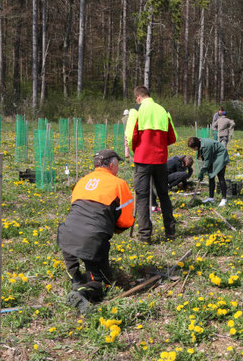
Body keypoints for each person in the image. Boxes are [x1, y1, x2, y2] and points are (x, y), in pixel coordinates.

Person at [57, 149, 134, 313]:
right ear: (112, 165)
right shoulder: (119, 184)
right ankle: (83, 292)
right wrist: (115, 227)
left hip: (66, 235)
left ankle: (76, 280)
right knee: (103, 283)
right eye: (118, 164)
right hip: (92, 239)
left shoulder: (82, 180)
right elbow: (126, 221)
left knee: (75, 258)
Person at [125, 85, 177, 243]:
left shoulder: (136, 110)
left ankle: (145, 236)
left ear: (138, 98)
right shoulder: (163, 110)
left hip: (143, 160)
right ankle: (170, 232)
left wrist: (136, 150)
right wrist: (160, 146)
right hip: (160, 160)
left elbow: (130, 135)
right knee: (163, 195)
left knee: (142, 198)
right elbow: (172, 136)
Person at [187, 136, 230, 207]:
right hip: (214, 156)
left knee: (220, 176)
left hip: (221, 156)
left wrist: (201, 173)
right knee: (211, 176)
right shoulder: (200, 143)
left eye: (193, 148)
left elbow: (207, 163)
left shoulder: (206, 147)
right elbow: (204, 160)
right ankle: (211, 198)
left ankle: (224, 199)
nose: (193, 149)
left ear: (196, 145)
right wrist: (203, 171)